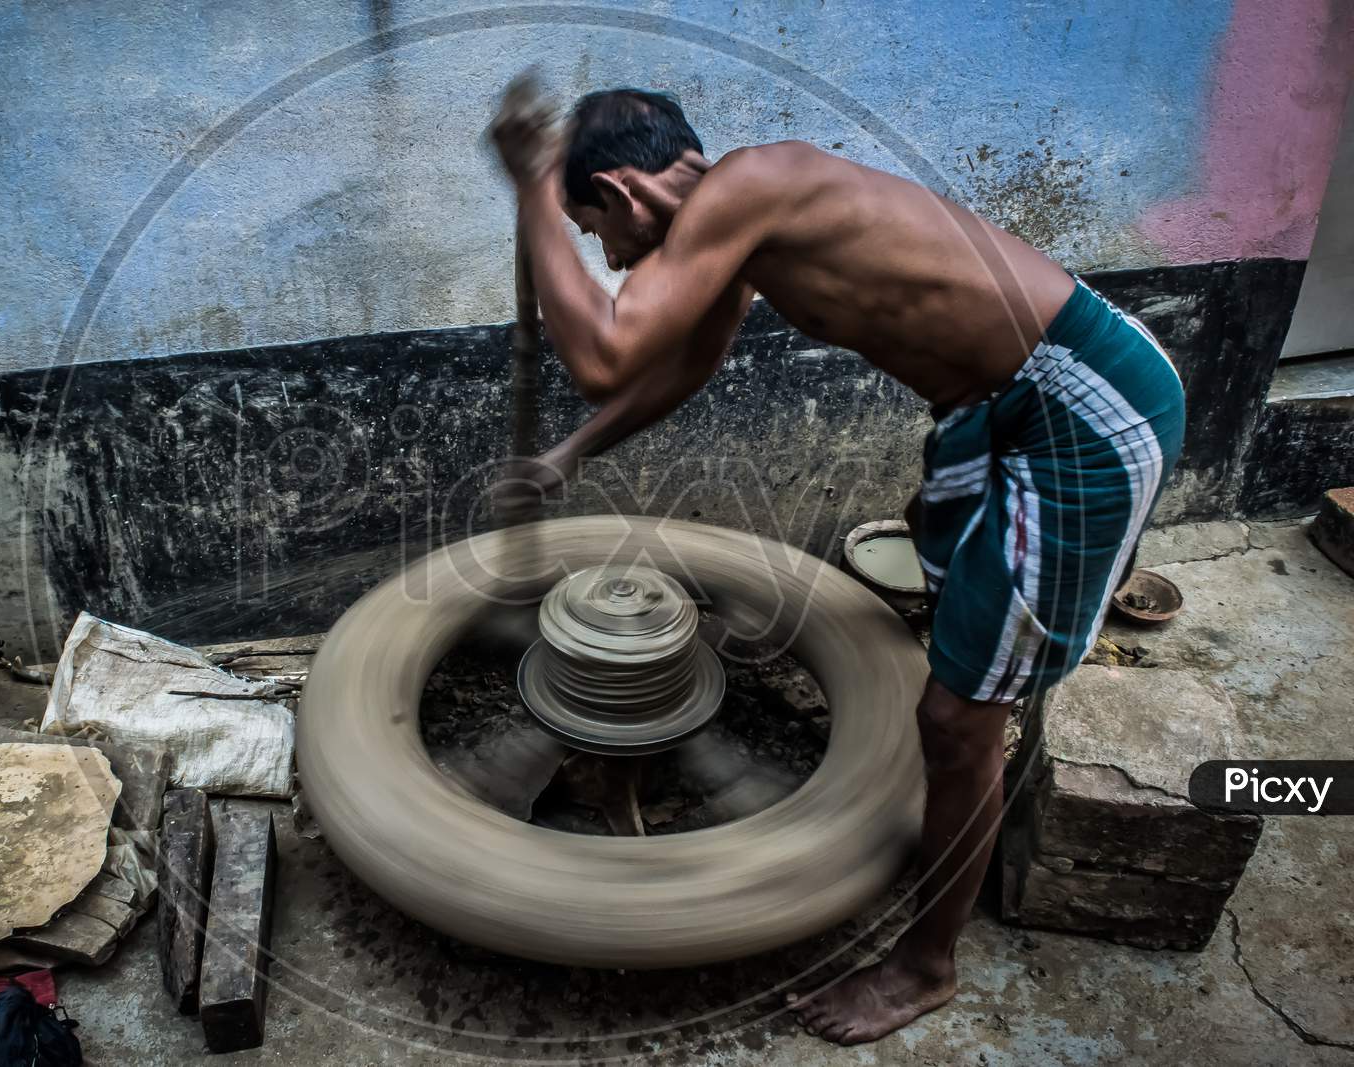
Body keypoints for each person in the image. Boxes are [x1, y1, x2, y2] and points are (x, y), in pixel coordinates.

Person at [488, 80, 1186, 1045]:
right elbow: (684, 363)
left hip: (1079, 411)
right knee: (950, 594)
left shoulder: (749, 186)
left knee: (956, 718)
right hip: (993, 409)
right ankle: (983, 722)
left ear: (624, 192)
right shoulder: (734, 220)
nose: (604, 257)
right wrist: (570, 456)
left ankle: (926, 964)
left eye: (593, 231)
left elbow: (607, 354)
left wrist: (529, 193)